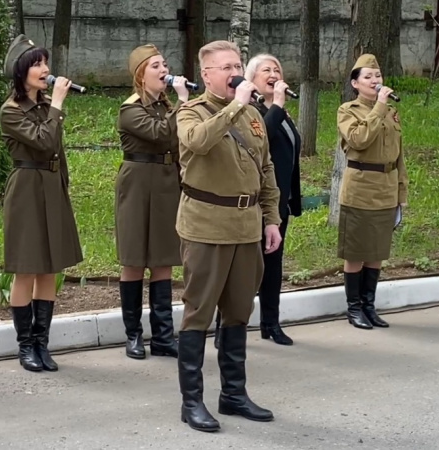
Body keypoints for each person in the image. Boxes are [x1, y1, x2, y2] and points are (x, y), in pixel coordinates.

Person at [175, 40, 282, 432]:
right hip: (206, 226)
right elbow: (198, 142)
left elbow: (265, 167)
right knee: (199, 313)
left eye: (237, 64)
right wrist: (236, 103)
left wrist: (270, 219)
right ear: (206, 74)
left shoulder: (253, 114)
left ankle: (233, 394)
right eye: (225, 67)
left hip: (246, 225)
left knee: (239, 311)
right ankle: (192, 403)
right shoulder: (191, 112)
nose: (234, 71)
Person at [0, 35, 84, 372]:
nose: (45, 70)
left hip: (51, 187)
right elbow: (45, 142)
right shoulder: (10, 110)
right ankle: (25, 346)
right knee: (27, 268)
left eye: (45, 63)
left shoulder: (45, 105)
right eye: (36, 63)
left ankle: (42, 343)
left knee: (50, 267)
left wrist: (63, 186)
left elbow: (57, 154)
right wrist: (58, 105)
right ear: (21, 71)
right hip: (27, 188)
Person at [214, 53, 302, 347]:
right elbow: (262, 134)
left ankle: (270, 323)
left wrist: (291, 198)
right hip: (251, 201)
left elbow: (288, 157)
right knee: (243, 269)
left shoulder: (280, 112)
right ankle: (223, 327)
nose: (274, 73)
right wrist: (276, 105)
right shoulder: (246, 110)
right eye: (267, 69)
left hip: (278, 201)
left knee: (273, 265)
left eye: (277, 68)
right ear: (251, 79)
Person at [115, 44, 192, 360]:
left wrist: (179, 105)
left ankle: (162, 336)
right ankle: (133, 335)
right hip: (137, 184)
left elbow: (180, 136)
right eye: (156, 66)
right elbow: (162, 134)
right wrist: (184, 104)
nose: (164, 70)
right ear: (140, 75)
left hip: (165, 183)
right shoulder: (130, 109)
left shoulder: (166, 106)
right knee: (134, 259)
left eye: (165, 64)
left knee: (162, 258)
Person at [336, 53, 408, 330]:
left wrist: (401, 192)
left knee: (377, 250)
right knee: (356, 251)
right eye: (368, 77)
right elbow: (359, 139)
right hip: (361, 188)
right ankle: (353, 308)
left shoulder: (390, 112)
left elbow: (398, 155)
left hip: (386, 187)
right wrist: (378, 106)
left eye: (377, 76)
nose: (375, 81)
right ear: (355, 83)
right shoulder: (348, 110)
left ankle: (369, 306)